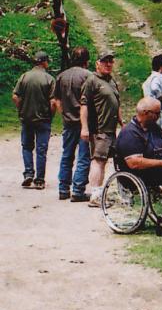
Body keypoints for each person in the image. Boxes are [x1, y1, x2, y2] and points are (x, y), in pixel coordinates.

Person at [79, 51, 123, 207]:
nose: (108, 64)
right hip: (99, 129)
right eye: (105, 61)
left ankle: (99, 194)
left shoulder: (111, 81)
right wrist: (84, 128)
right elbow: (83, 106)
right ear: (97, 63)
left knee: (103, 161)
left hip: (111, 129)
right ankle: (95, 196)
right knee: (98, 160)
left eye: (111, 61)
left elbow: (116, 102)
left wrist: (121, 122)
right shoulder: (91, 81)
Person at [12, 49, 57, 190]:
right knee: (41, 150)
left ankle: (28, 173)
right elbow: (53, 102)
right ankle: (39, 180)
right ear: (45, 62)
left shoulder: (24, 76)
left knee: (26, 147)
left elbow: (15, 96)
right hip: (43, 119)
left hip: (26, 118)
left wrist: (21, 109)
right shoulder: (49, 79)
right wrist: (51, 116)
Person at [53, 45, 92, 200]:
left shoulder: (61, 76)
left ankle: (63, 189)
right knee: (83, 157)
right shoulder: (88, 76)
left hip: (68, 122)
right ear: (86, 61)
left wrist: (63, 114)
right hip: (84, 124)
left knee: (67, 156)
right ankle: (78, 190)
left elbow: (56, 100)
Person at [142, 54, 162, 125]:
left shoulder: (151, 77)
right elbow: (154, 87)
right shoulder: (157, 77)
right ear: (161, 67)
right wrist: (159, 96)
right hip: (155, 111)